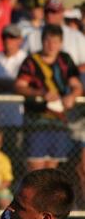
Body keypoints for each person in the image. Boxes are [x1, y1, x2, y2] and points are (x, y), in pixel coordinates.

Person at [15, 24, 83, 172]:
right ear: (42, 41)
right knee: (36, 169)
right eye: (48, 41)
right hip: (36, 121)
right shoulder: (31, 61)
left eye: (56, 41)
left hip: (59, 122)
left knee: (52, 169)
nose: (51, 45)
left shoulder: (65, 60)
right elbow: (20, 86)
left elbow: (76, 85)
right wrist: (41, 93)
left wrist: (72, 96)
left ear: (61, 43)